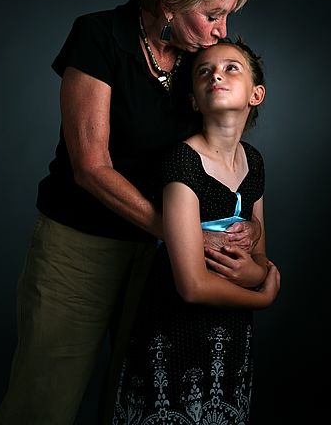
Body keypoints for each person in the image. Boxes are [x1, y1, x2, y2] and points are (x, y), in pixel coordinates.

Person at [0, 0, 262, 425]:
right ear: (168, 3)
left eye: (227, 16)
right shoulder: (100, 36)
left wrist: (247, 226)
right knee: (44, 397)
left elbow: (224, 150)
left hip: (164, 256)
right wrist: (183, 235)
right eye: (212, 15)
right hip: (81, 244)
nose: (221, 32)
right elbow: (91, 167)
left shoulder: (202, 60)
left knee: (137, 401)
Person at [111, 39, 281, 425]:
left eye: (231, 67)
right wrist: (263, 297)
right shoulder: (183, 162)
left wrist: (256, 274)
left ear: (256, 94)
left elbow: (259, 260)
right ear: (193, 100)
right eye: (204, 71)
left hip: (231, 331)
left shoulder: (253, 162)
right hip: (173, 327)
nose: (216, 74)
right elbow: (192, 285)